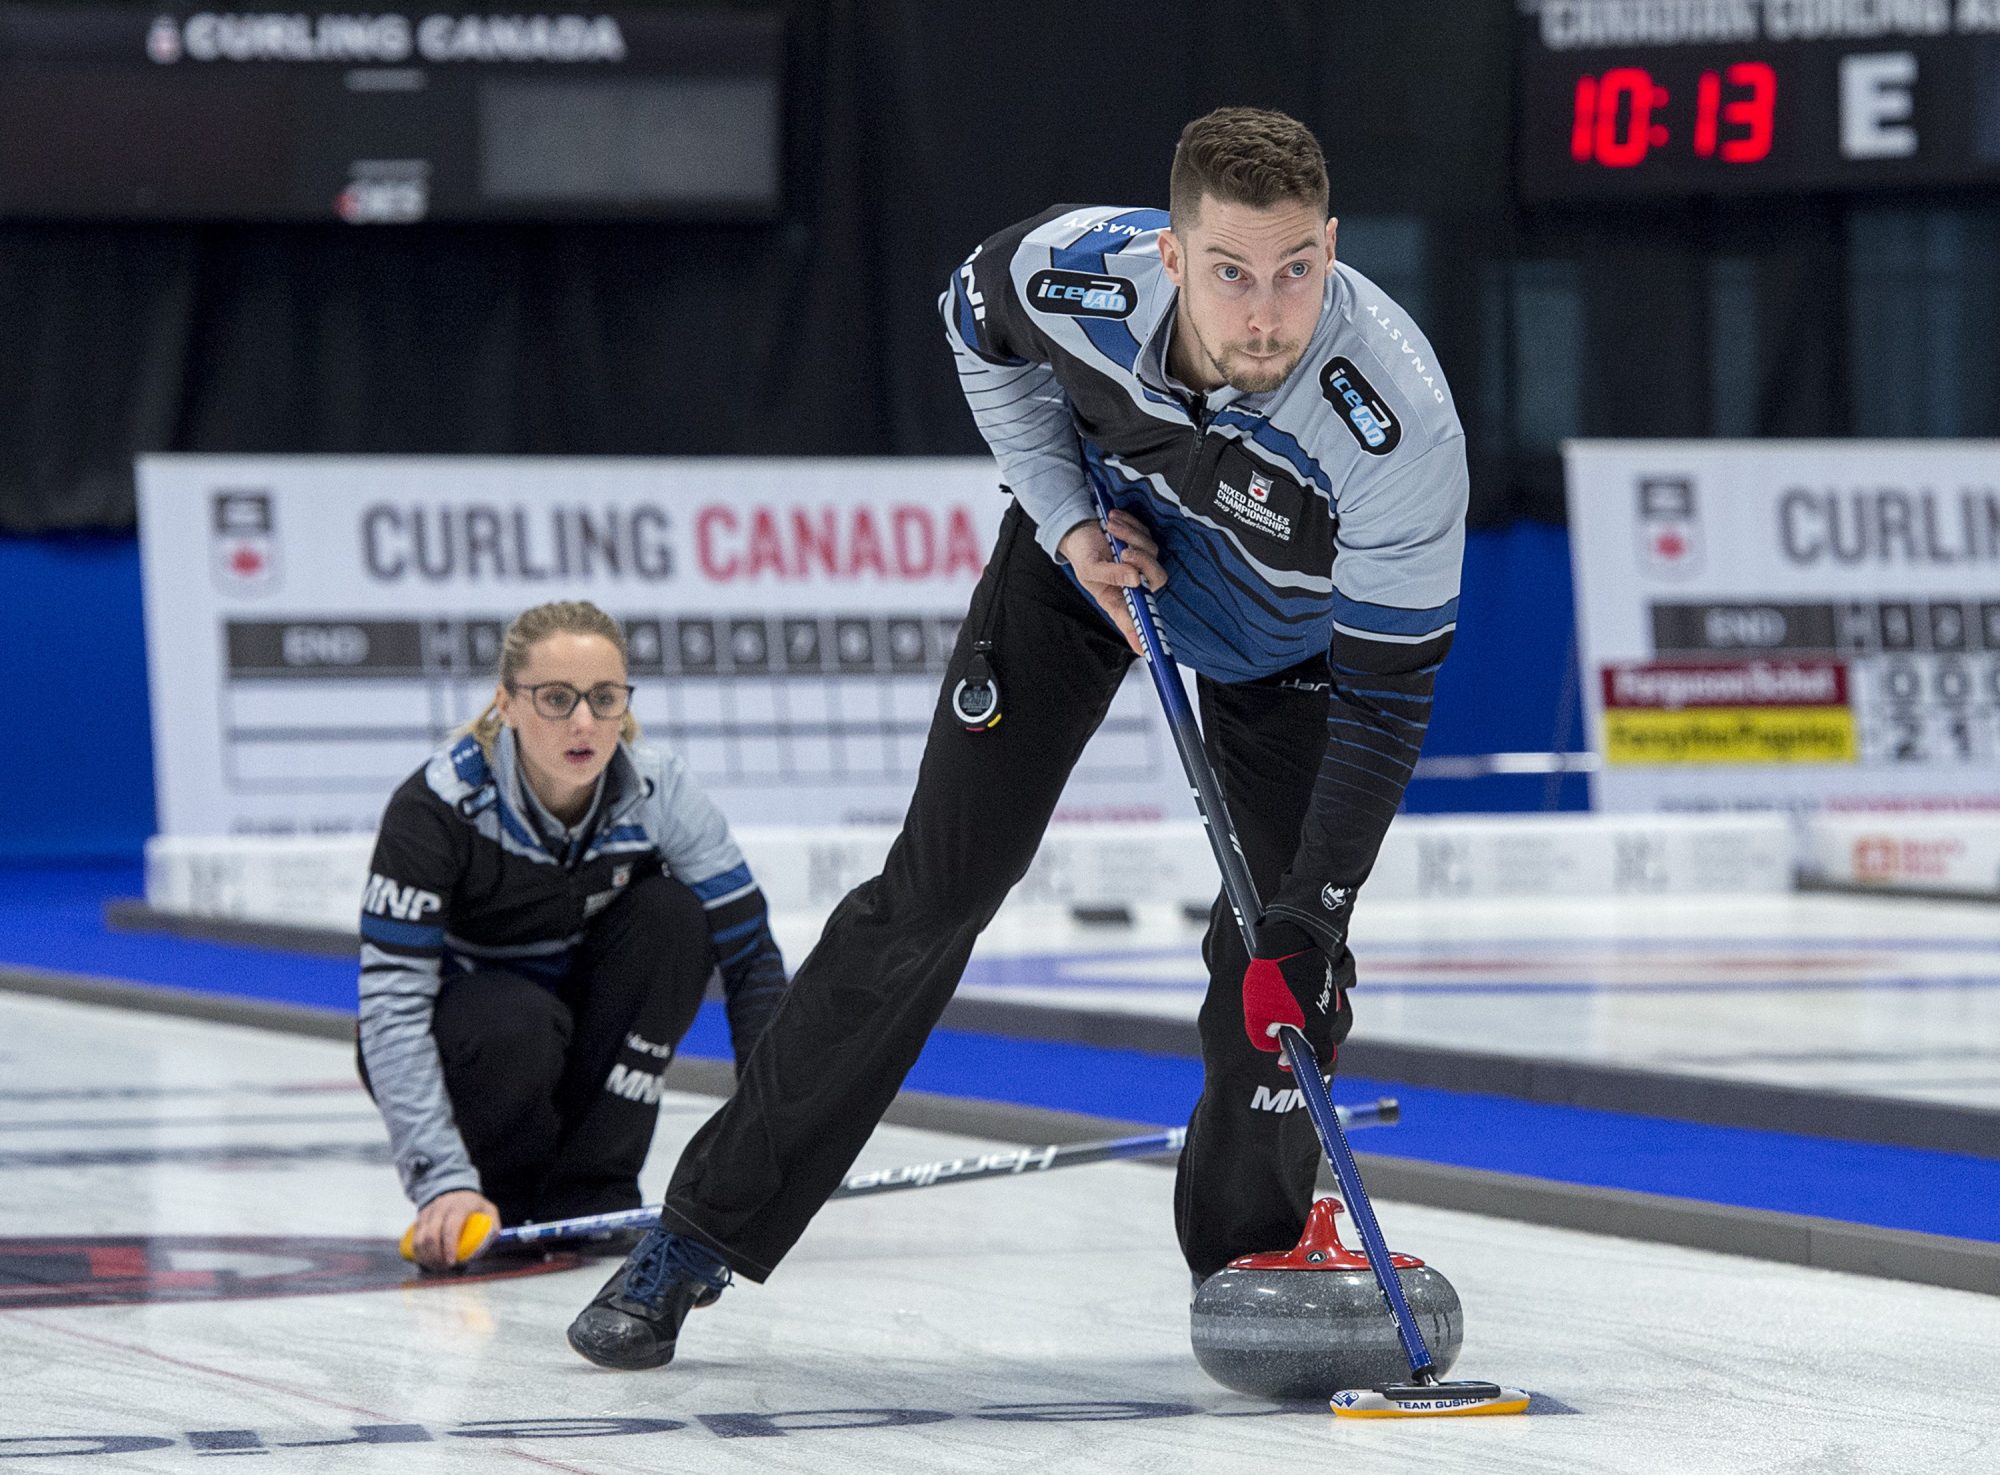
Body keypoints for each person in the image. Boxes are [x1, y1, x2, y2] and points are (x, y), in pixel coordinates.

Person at [567, 105, 1467, 1368]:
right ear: (1168, 255)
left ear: (1331, 245)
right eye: (1228, 273)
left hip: (1290, 657)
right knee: (931, 893)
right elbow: (973, 330)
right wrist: (1063, 522)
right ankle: (697, 1232)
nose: (1263, 314)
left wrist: (1313, 919)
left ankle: (1248, 1270)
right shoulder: (1070, 270)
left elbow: (1385, 704)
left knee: (1278, 967)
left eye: (1294, 272)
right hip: (1095, 571)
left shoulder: (1397, 429)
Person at [357, 599, 788, 1271]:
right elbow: (389, 1009)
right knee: (516, 1018)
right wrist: (438, 1177)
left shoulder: (660, 787)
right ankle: (498, 1189)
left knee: (675, 915)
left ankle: (594, 1187)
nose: (583, 721)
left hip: (584, 1029)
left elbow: (752, 956)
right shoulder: (435, 808)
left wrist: (770, 1135)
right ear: (507, 702)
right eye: (556, 698)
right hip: (482, 1042)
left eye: (604, 697)